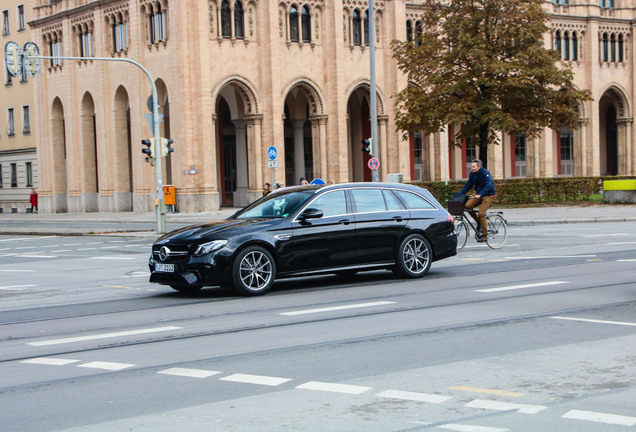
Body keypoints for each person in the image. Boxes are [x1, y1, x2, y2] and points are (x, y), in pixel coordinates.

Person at [459, 159, 496, 242]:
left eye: (473, 167)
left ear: (479, 167)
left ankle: (484, 235)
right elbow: (468, 185)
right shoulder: (473, 174)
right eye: (471, 166)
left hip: (489, 195)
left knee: (481, 213)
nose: (471, 168)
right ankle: (479, 222)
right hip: (479, 195)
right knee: (467, 206)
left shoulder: (485, 173)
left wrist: (481, 194)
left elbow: (488, 185)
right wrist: (459, 195)